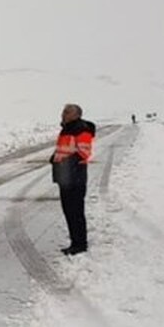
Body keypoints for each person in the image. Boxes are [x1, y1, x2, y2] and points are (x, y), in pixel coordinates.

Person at [51, 103, 96, 255]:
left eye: (67, 112)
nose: (63, 114)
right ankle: (74, 242)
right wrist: (55, 157)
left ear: (76, 115)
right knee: (68, 211)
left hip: (75, 177)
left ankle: (80, 244)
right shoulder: (67, 129)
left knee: (76, 212)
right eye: (63, 111)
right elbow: (65, 149)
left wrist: (63, 162)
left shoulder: (81, 129)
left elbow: (83, 153)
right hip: (65, 178)